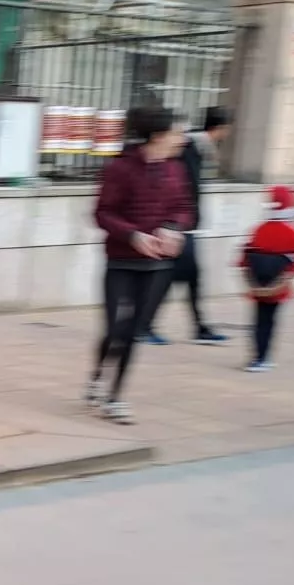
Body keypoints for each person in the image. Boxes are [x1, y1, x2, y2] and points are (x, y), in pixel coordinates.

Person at [87, 106, 191, 425]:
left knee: (134, 332)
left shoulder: (176, 169)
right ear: (158, 136)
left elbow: (185, 207)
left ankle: (115, 397)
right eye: (177, 132)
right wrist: (132, 235)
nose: (182, 138)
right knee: (115, 329)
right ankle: (96, 377)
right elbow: (103, 213)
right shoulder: (121, 168)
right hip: (121, 261)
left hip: (157, 265)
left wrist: (173, 227)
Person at [144, 106, 231, 346]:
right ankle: (146, 325)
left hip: (182, 227)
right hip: (179, 228)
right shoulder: (188, 149)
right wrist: (179, 223)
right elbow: (185, 192)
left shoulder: (195, 148)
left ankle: (197, 327)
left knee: (186, 278)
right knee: (173, 278)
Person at [238, 186, 294, 372]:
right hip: (278, 287)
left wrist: (252, 284)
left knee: (259, 320)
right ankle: (262, 357)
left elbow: (243, 259)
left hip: (257, 283)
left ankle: (257, 356)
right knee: (270, 320)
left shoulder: (258, 229)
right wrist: (280, 284)